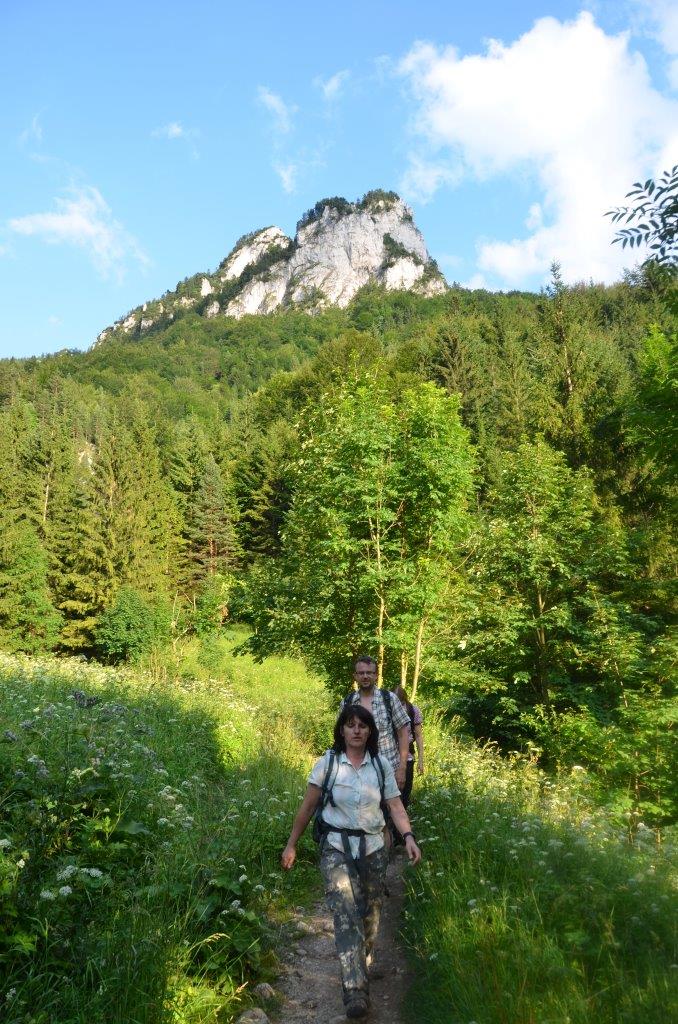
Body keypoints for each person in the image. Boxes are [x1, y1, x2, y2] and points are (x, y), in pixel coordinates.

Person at [281, 704, 421, 1020]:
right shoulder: (328, 764)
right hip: (335, 847)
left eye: (362, 725)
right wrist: (291, 845)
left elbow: (395, 807)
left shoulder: (381, 765)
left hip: (373, 848)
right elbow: (306, 809)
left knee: (370, 911)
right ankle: (354, 990)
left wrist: (409, 837)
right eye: (350, 725)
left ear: (370, 731)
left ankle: (361, 957)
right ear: (341, 730)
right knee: (344, 912)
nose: (356, 730)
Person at [340, 656, 411, 792]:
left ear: (376, 675)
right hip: (356, 773)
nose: (365, 676)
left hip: (389, 771)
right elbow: (342, 736)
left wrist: (402, 768)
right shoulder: (347, 702)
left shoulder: (389, 699)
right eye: (361, 673)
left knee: (391, 811)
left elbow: (403, 734)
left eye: (369, 673)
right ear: (355, 676)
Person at [394, 684, 424, 810]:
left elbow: (418, 736)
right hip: (388, 757)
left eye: (400, 702)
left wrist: (421, 761)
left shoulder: (413, 711)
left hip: (408, 757)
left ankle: (400, 827)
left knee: (405, 794)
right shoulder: (386, 711)